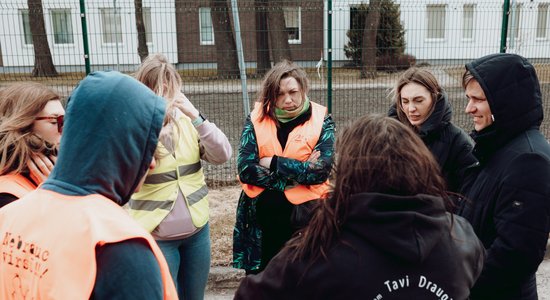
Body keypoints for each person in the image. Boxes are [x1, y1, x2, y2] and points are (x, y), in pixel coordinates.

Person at [235, 114, 485, 299]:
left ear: (349, 173)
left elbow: (250, 295)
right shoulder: (461, 237)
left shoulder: (319, 251)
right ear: (420, 164)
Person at [0, 71, 177, 299]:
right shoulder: (120, 248)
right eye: (146, 147)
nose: (152, 163)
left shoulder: (8, 215)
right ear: (121, 146)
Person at [128, 53, 232, 300]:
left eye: (169, 86)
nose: (164, 94)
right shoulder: (132, 126)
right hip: (157, 234)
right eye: (157, 87)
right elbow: (128, 182)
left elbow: (223, 154)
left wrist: (197, 117)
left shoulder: (188, 121)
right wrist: (151, 132)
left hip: (197, 232)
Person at [456, 53, 550, 300]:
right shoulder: (495, 147)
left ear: (506, 102)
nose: (469, 108)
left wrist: (458, 284)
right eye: (469, 98)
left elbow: (515, 255)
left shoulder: (530, 160)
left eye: (478, 99)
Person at [233, 60, 335, 274]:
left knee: (304, 281)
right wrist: (297, 174)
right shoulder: (256, 119)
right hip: (262, 224)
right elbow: (246, 169)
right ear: (271, 95)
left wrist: (273, 162)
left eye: (293, 92)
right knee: (263, 284)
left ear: (303, 89)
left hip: (307, 219)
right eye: (279, 94)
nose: (287, 99)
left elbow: (320, 171)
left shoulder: (321, 120)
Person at [388, 67, 477, 193]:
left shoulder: (459, 143)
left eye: (418, 101)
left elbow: (467, 196)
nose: (411, 108)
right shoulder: (390, 136)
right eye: (405, 101)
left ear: (435, 98)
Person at [0, 82, 64, 207]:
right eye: (57, 120)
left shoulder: (50, 176)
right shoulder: (7, 197)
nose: (65, 129)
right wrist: (56, 198)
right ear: (24, 125)